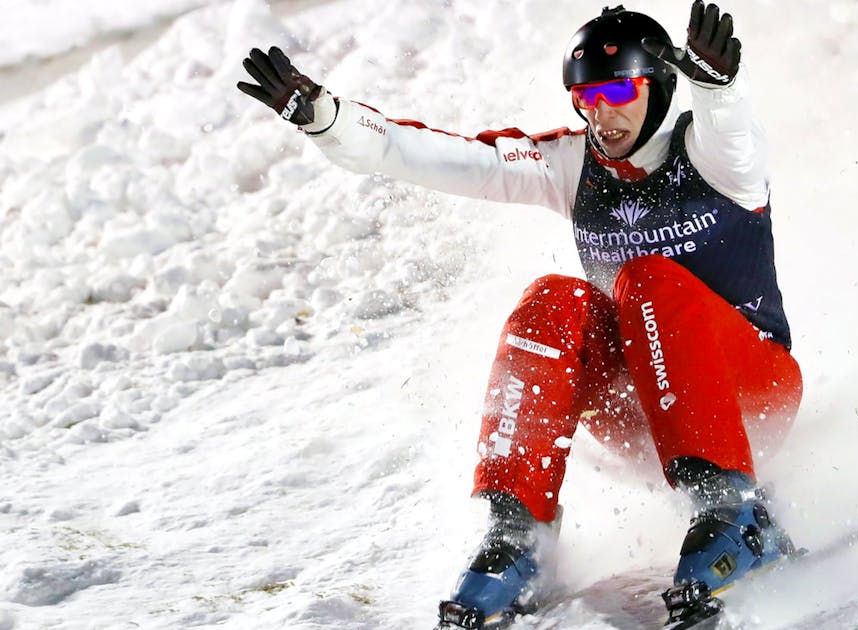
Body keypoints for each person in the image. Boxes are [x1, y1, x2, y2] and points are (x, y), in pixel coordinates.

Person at [238, 2, 804, 627]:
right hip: (644, 415)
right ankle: (519, 536)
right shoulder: (572, 163)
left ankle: (738, 514)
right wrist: (330, 121)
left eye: (618, 90)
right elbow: (448, 157)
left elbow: (735, 131)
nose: (601, 113)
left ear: (662, 84)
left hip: (750, 396)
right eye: (584, 96)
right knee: (552, 302)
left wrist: (719, 88)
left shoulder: (715, 156)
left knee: (646, 279)